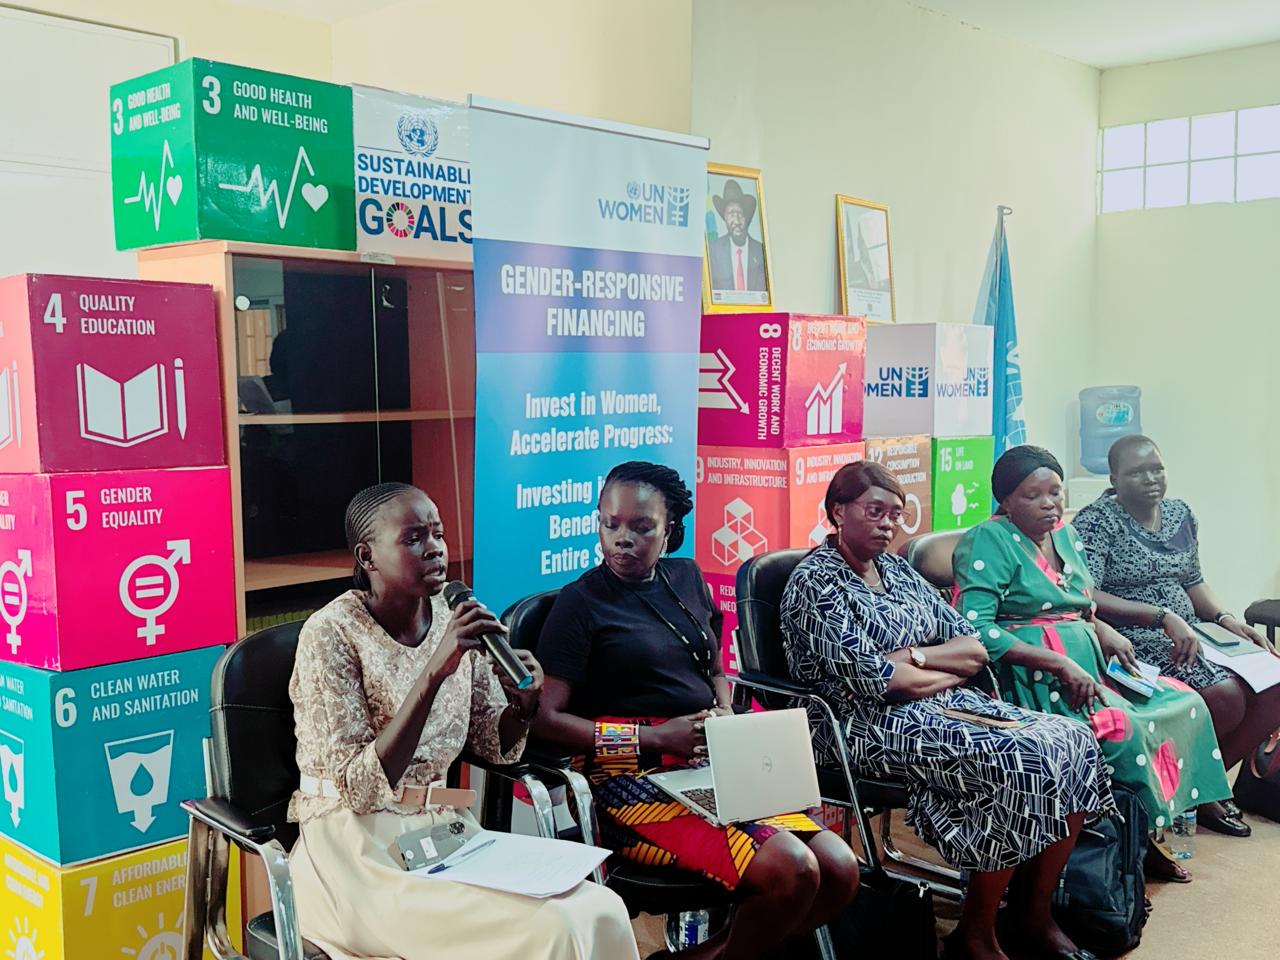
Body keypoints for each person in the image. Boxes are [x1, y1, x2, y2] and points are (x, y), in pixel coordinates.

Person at [287, 482, 639, 960]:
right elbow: (360, 788)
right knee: (552, 929)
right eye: (413, 538)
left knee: (600, 908)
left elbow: (493, 744)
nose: (434, 548)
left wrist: (523, 704)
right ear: (367, 556)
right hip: (358, 853)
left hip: (443, 832)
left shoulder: (451, 616)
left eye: (437, 533)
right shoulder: (329, 634)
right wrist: (435, 672)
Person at [783, 461, 1111, 960]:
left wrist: (916, 661)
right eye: (874, 511)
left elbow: (974, 647)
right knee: (1018, 758)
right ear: (837, 511)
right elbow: (878, 683)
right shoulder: (815, 583)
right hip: (854, 724)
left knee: (1072, 741)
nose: (887, 524)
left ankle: (1032, 915)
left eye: (895, 514)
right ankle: (975, 934)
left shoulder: (895, 569)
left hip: (938, 704)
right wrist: (932, 668)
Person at [535, 462, 859, 960]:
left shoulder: (686, 577)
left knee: (839, 869)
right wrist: (656, 739)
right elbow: (548, 722)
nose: (622, 539)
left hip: (710, 761)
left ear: (670, 531)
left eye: (641, 527)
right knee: (793, 868)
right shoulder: (580, 604)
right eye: (610, 524)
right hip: (627, 780)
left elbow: (715, 666)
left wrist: (725, 711)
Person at [953, 445, 1232, 885]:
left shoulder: (1065, 534)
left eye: (1055, 492)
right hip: (1036, 680)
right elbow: (975, 628)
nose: (1049, 503)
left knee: (1186, 704)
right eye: (1033, 495)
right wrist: (1057, 663)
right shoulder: (987, 540)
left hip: (1092, 668)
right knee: (1126, 731)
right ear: (1005, 500)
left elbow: (1083, 605)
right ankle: (1130, 845)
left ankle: (1145, 836)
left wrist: (1106, 632)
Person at [1073, 435, 1280, 839]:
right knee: (1226, 695)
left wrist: (1226, 618)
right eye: (1136, 472)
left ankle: (1203, 789)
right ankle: (1190, 793)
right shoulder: (1097, 521)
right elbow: (1086, 593)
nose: (1150, 479)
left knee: (1274, 680)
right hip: (1132, 638)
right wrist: (1161, 615)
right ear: (1114, 478)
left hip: (1193, 633)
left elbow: (1192, 580)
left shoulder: (1181, 514)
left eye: (1157, 469)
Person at [707, 179, 767, 293]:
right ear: (724, 217)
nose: (737, 221)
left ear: (746, 217)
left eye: (740, 213)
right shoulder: (713, 251)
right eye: (731, 213)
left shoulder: (760, 251)